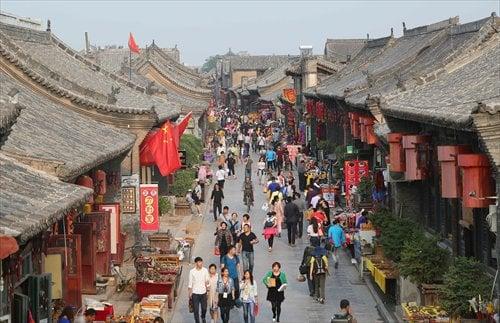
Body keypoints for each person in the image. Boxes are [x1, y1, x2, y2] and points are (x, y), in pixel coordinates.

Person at [188, 256, 210, 323]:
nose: (200, 263)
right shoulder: (192, 272)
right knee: (196, 310)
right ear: (196, 263)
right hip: (195, 293)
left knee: (204, 308)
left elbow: (207, 281)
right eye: (199, 262)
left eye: (201, 262)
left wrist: (208, 291)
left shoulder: (205, 270)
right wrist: (189, 294)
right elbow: (190, 283)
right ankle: (197, 321)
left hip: (203, 292)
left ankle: (203, 316)